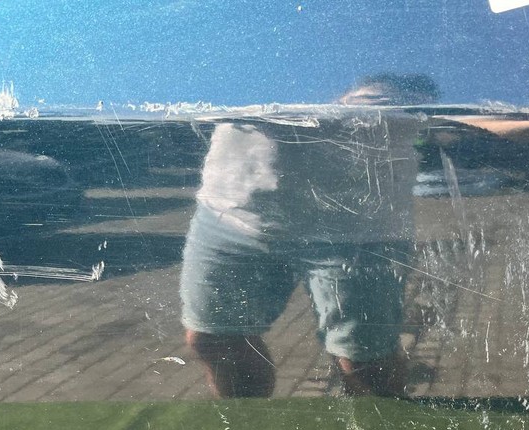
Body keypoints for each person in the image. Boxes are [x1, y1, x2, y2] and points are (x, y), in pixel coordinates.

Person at [180, 74, 439, 397]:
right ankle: (247, 423)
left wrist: (376, 102)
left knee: (364, 361)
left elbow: (433, 103)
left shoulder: (382, 63)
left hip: (355, 229)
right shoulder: (244, 53)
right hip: (232, 211)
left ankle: (384, 426)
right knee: (213, 338)